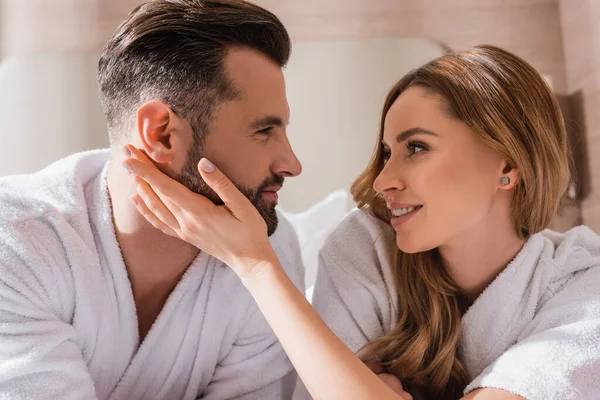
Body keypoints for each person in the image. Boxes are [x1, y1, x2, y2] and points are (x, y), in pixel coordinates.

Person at [123, 44, 600, 400]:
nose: (384, 180)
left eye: (417, 148)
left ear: (507, 165)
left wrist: (256, 265)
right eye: (388, 153)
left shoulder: (583, 286)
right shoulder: (365, 248)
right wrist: (254, 265)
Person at [0, 0, 306, 399]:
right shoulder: (19, 243)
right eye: (264, 131)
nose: (292, 164)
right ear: (161, 134)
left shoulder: (267, 255)